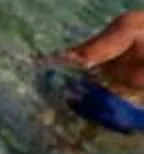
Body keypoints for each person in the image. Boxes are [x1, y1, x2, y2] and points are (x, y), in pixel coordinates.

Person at [44, 10, 144, 139]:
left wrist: (34, 61)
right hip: (134, 117)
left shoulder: (136, 26)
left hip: (101, 101)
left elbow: (82, 57)